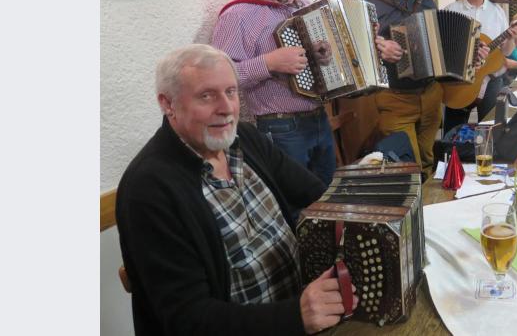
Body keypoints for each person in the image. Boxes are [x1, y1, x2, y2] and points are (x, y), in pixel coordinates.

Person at [116, 44, 357, 336]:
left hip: (300, 310)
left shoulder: (245, 138)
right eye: (207, 96)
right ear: (168, 104)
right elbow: (187, 319)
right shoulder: (148, 189)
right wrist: (297, 315)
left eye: (231, 92)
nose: (226, 108)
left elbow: (318, 195)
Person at [212, 0, 336, 186]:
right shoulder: (236, 15)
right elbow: (220, 80)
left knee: (325, 198)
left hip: (320, 119)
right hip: (280, 129)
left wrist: (321, 56)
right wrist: (269, 63)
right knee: (292, 203)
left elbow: (315, 59)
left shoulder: (304, 5)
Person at [363, 0, 488, 174]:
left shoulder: (427, 2)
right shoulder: (371, 3)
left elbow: (443, 46)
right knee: (406, 167)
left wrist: (471, 51)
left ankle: (430, 198)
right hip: (395, 98)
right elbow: (357, 48)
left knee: (429, 159)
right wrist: (379, 47)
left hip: (431, 94)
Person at [442, 0, 516, 133]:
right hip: (458, 83)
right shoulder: (450, 11)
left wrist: (512, 38)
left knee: (491, 132)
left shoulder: (498, 12)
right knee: (453, 133)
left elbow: (506, 52)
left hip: (491, 81)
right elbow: (442, 51)